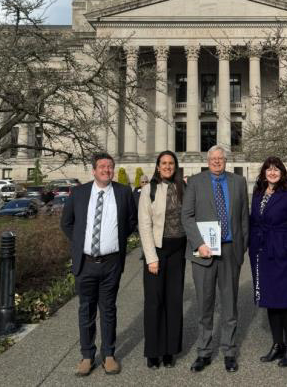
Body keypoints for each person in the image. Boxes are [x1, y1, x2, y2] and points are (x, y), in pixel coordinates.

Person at [61, 153, 137, 377]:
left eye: (110, 166)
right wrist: (79, 243)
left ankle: (109, 354)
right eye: (102, 166)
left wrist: (116, 239)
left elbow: (131, 221)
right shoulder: (79, 193)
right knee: (86, 310)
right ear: (93, 171)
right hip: (86, 262)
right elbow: (66, 223)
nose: (106, 169)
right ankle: (87, 356)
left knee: (108, 309)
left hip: (111, 262)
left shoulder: (123, 192)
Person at [181, 144, 249, 373]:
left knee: (230, 305)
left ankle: (229, 350)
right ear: (207, 161)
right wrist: (199, 243)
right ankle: (204, 352)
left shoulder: (238, 182)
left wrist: (242, 248)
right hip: (204, 253)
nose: (217, 162)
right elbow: (187, 216)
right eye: (213, 159)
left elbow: (243, 219)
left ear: (226, 160)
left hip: (230, 251)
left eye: (220, 158)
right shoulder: (195, 182)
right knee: (205, 305)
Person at [249, 156, 287, 368]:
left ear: (282, 172)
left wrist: (286, 247)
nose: (272, 173)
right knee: (271, 301)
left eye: (276, 169)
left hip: (284, 254)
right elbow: (254, 221)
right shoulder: (258, 194)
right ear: (264, 172)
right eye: (268, 169)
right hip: (263, 254)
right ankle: (277, 344)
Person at [138, 151, 186, 369]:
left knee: (174, 302)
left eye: (171, 163)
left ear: (175, 166)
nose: (167, 166)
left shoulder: (183, 188)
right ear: (157, 167)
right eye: (164, 163)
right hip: (157, 251)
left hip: (178, 251)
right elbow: (144, 226)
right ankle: (153, 352)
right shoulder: (148, 190)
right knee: (154, 302)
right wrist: (151, 258)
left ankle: (169, 350)